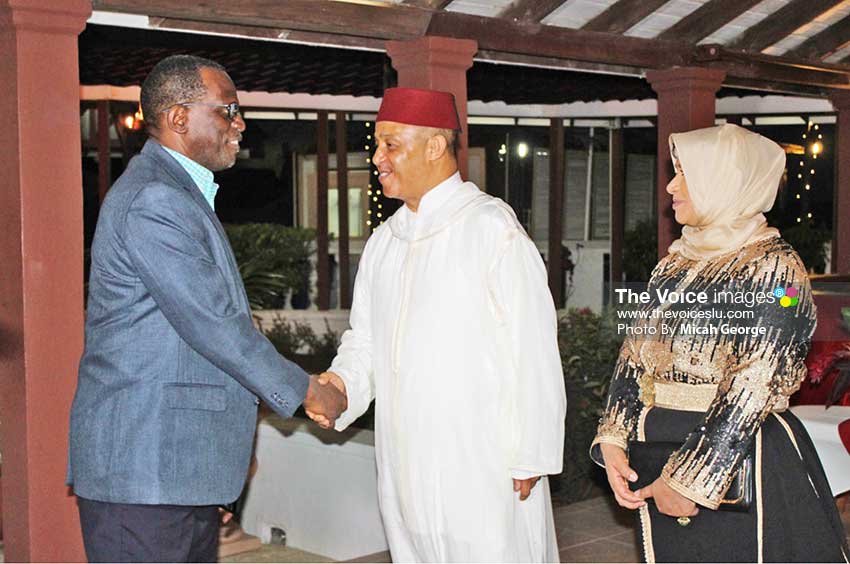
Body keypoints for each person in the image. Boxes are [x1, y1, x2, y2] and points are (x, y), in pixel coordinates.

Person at [67, 55, 346, 563]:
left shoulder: (176, 194)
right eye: (228, 111)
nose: (240, 125)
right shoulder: (156, 199)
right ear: (178, 118)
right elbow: (215, 327)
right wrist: (307, 390)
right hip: (144, 474)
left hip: (171, 473)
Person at [307, 87, 567, 562]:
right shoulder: (385, 243)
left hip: (481, 461)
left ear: (434, 146)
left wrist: (531, 451)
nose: (378, 158)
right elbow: (364, 340)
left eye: (391, 145)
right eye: (377, 144)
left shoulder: (493, 229)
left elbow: (532, 349)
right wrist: (342, 385)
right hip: (404, 461)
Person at [592, 123, 850, 562]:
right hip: (659, 447)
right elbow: (633, 357)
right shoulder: (674, 265)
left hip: (738, 459)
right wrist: (613, 437)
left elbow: (754, 383)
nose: (671, 186)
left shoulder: (777, 272)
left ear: (726, 181)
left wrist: (690, 479)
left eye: (685, 174)